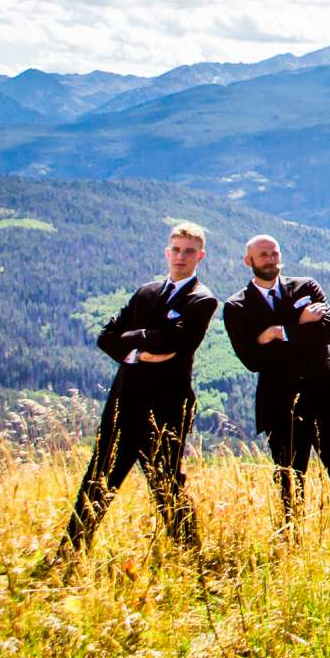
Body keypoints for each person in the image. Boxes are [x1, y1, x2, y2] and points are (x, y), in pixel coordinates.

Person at [51, 221, 219, 566]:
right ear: (167, 252)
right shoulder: (145, 292)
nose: (181, 256)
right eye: (176, 249)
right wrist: (140, 350)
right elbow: (107, 336)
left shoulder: (202, 300)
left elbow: (177, 342)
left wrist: (136, 336)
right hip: (124, 401)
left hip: (168, 406)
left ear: (200, 256)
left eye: (189, 251)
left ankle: (192, 560)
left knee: (166, 483)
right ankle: (67, 557)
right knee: (98, 477)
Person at [222, 234, 330, 538]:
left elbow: (329, 331)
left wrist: (277, 332)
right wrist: (301, 325)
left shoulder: (307, 286)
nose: (270, 259)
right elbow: (252, 358)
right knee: (289, 484)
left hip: (329, 399)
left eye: (274, 253)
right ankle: (291, 544)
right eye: (262, 255)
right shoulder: (237, 306)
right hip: (280, 406)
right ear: (247, 260)